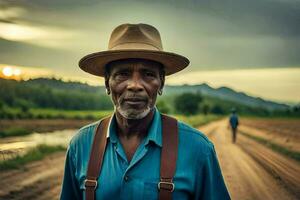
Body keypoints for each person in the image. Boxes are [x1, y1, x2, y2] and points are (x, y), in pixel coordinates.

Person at [60, 23, 230, 200]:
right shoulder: (81, 145)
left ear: (161, 83)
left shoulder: (198, 149)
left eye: (148, 74)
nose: (135, 85)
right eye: (123, 74)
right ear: (107, 83)